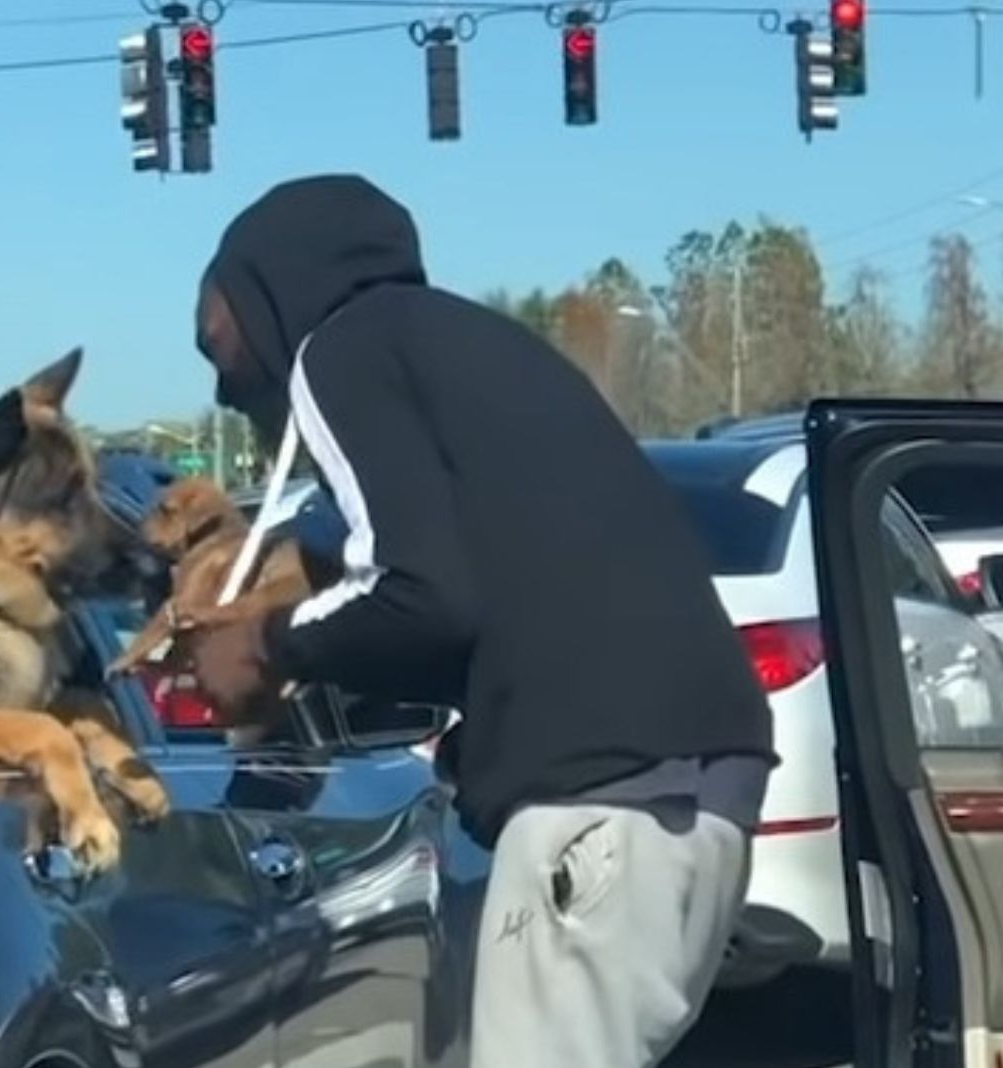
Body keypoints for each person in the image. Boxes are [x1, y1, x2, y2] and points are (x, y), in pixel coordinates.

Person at [185, 173, 776, 1068]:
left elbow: (419, 587)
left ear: (266, 291)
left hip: (600, 808)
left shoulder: (341, 347)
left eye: (212, 340)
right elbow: (477, 603)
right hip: (697, 798)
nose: (223, 384)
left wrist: (264, 643)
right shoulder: (472, 347)